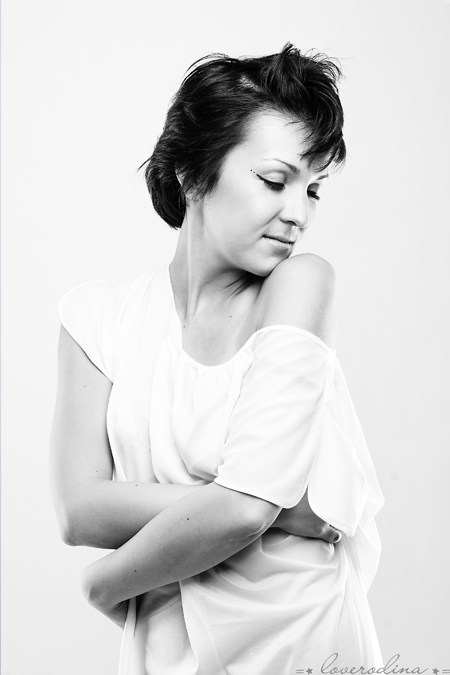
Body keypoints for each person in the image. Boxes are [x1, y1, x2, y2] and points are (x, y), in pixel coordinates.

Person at [49, 43, 385, 674]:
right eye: (275, 181)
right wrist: (283, 509)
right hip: (167, 651)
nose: (298, 214)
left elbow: (245, 510)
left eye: (314, 189)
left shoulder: (300, 285)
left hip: (305, 642)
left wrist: (101, 584)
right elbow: (79, 512)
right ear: (191, 172)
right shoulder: (97, 320)